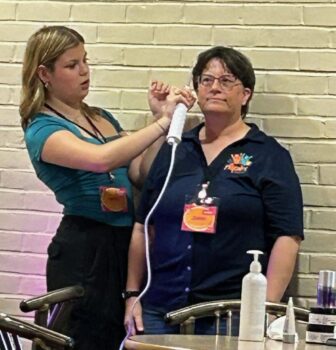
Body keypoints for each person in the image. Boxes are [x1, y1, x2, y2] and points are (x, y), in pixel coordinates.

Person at [20, 25, 194, 350]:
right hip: (85, 247)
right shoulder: (42, 128)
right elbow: (101, 160)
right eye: (72, 65)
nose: (84, 71)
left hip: (121, 242)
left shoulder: (100, 117)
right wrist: (161, 123)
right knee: (84, 338)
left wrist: (159, 122)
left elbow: (140, 173)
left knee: (119, 337)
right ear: (45, 73)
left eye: (85, 61)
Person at [124, 46, 304, 336]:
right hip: (159, 310)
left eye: (226, 81)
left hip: (230, 315)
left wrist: (265, 308)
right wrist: (132, 295)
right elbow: (143, 227)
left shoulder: (268, 156)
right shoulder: (176, 149)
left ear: (245, 94)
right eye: (206, 80)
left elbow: (288, 236)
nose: (214, 88)